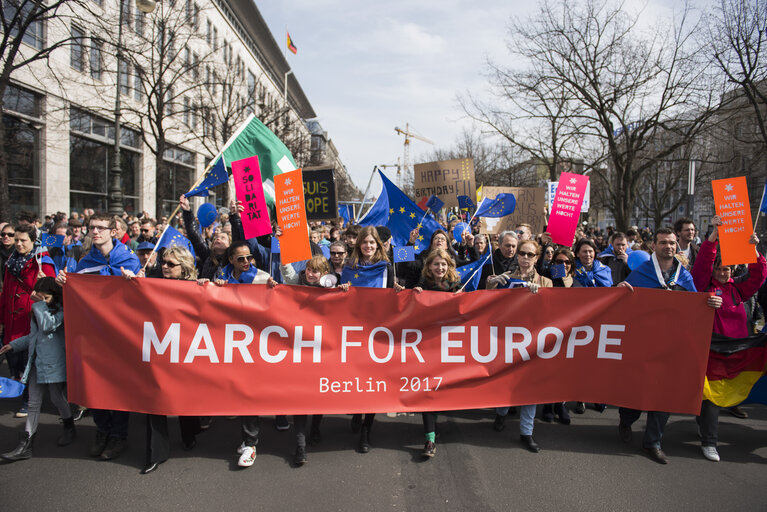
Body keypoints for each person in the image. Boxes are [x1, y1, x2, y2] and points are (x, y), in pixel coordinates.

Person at [617, 227, 722, 464]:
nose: (669, 247)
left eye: (672, 243)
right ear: (654, 245)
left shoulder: (684, 276)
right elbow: (621, 305)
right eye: (663, 242)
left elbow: (695, 306)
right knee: (635, 394)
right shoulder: (641, 273)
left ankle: (653, 442)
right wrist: (619, 290)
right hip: (643, 347)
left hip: (671, 349)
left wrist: (710, 302)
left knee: (662, 396)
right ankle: (626, 420)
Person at [55, 212, 141, 461]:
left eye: (100, 228)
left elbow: (139, 298)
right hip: (94, 335)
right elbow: (78, 298)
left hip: (122, 335)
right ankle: (103, 431)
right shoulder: (84, 263)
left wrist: (135, 282)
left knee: (119, 387)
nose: (94, 232)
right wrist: (65, 283)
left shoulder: (129, 259)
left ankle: (119, 436)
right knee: (96, 385)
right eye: (91, 228)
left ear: (113, 231)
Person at [691, 216, 766, 462]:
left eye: (728, 269)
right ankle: (709, 442)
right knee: (712, 397)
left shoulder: (738, 289)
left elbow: (758, 277)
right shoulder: (704, 286)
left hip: (737, 352)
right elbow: (702, 264)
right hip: (711, 350)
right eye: (720, 268)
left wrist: (753, 248)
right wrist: (714, 234)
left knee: (720, 396)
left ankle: (702, 420)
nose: (724, 273)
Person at [123, 246, 202, 474]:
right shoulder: (151, 282)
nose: (165, 266)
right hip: (157, 350)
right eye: (164, 262)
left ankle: (189, 432)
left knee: (185, 397)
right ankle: (155, 453)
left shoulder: (196, 287)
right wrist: (132, 283)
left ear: (184, 268)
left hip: (186, 351)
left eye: (171, 264)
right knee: (155, 399)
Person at [339, 226, 404, 453]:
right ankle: (357, 411)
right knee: (358, 378)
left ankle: (367, 430)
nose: (368, 246)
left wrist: (398, 290)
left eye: (372, 243)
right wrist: (343, 290)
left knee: (374, 382)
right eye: (364, 243)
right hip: (355, 332)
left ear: (378, 245)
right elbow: (341, 301)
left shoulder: (386, 267)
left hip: (378, 332)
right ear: (358, 245)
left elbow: (392, 297)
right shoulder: (349, 267)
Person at [486, 240, 552, 452]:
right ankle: (501, 413)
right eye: (522, 253)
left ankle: (527, 432)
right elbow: (487, 303)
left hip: (534, 343)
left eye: (530, 254)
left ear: (536, 257)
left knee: (530, 389)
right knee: (507, 383)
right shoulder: (507, 277)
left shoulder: (546, 282)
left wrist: (541, 294)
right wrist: (492, 284)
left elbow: (555, 312)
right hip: (508, 340)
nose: (525, 257)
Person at [0, 278, 72, 462]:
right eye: (40, 298)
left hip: (54, 364)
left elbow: (48, 327)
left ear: (54, 296)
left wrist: (39, 305)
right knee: (33, 402)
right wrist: (14, 345)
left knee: (57, 397)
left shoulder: (61, 311)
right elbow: (34, 336)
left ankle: (69, 425)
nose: (42, 301)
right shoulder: (38, 311)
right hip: (36, 363)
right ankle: (27, 443)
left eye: (46, 298)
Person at [0, 224, 56, 418]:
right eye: (16, 239)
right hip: (11, 319)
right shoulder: (11, 260)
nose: (18, 243)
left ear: (34, 241)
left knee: (28, 363)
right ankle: (20, 392)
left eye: (23, 240)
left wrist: (44, 284)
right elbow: (6, 291)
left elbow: (51, 295)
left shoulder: (42, 262)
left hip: (29, 320)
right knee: (13, 361)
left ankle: (28, 400)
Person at [412, 248, 462, 458]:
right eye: (436, 264)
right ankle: (430, 439)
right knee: (428, 391)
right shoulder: (421, 287)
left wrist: (462, 299)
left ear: (449, 266)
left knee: (442, 391)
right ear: (429, 267)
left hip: (450, 347)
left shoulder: (457, 287)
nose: (440, 268)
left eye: (443, 264)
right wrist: (413, 296)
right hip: (426, 346)